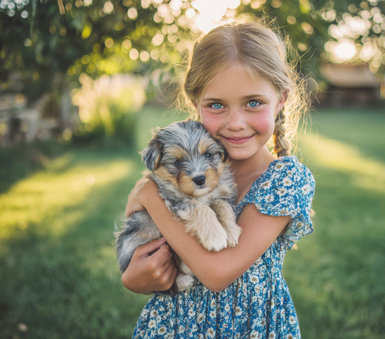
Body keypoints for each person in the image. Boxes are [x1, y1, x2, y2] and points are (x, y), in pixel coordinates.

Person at [123, 20, 315, 338]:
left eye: (253, 103)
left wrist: (151, 197)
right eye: (216, 105)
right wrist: (132, 277)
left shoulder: (285, 180)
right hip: (174, 327)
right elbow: (140, 247)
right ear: (195, 103)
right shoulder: (180, 170)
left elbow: (217, 272)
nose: (236, 123)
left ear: (281, 99)